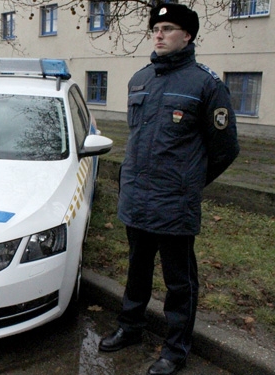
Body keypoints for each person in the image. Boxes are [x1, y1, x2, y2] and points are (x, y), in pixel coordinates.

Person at [98, 3, 239, 375]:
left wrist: (189, 183)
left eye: (169, 28)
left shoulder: (206, 85)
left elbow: (225, 149)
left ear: (188, 35)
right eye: (156, 28)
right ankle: (130, 328)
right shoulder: (140, 79)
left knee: (179, 282)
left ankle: (175, 350)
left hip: (175, 203)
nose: (159, 34)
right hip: (137, 198)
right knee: (136, 271)